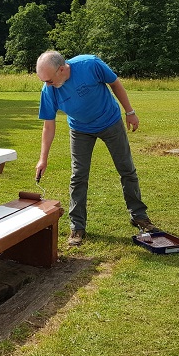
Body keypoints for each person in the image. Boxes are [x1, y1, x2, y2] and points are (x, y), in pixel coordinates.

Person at [35, 50, 158, 246]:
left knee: (126, 169)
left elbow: (115, 83)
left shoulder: (90, 64)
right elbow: (48, 126)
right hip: (80, 130)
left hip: (110, 122)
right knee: (79, 176)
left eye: (49, 80)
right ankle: (77, 227)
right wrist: (43, 158)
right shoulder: (48, 90)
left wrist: (130, 112)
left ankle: (139, 216)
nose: (47, 85)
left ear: (61, 69)